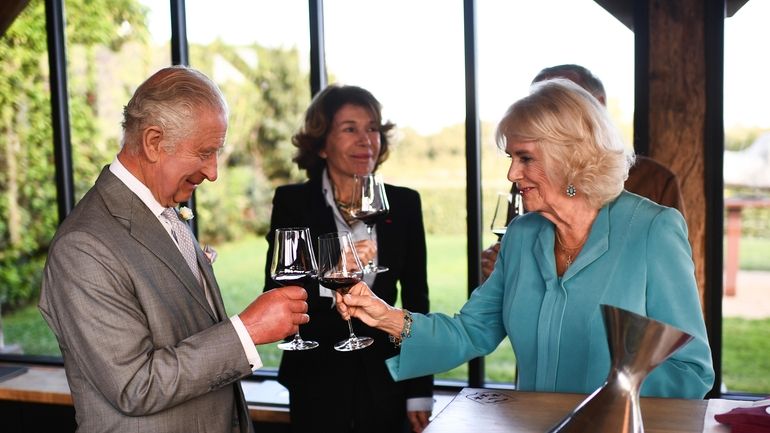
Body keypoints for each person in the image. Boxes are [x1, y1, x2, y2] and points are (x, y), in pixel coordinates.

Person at [337, 79, 715, 399]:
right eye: (510, 157)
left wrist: (608, 405)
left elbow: (690, 368)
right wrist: (385, 316)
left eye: (525, 158)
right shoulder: (522, 235)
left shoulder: (653, 229)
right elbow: (470, 331)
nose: (512, 173)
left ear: (572, 157)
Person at [38, 66, 309, 433]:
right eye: (204, 152)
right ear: (153, 142)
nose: (213, 172)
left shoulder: (162, 209)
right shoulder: (83, 247)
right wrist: (247, 330)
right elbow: (136, 385)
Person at [264, 84, 433, 433]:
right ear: (322, 143)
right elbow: (277, 286)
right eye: (350, 129)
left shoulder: (403, 204)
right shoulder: (293, 202)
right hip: (315, 376)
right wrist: (333, 275)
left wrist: (419, 389)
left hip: (386, 376)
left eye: (372, 128)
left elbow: (418, 300)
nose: (365, 140)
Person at [481, 64, 685, 280]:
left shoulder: (656, 187)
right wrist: (503, 271)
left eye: (555, 103)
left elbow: (671, 284)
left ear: (596, 106)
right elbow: (511, 267)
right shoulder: (529, 187)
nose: (514, 174)